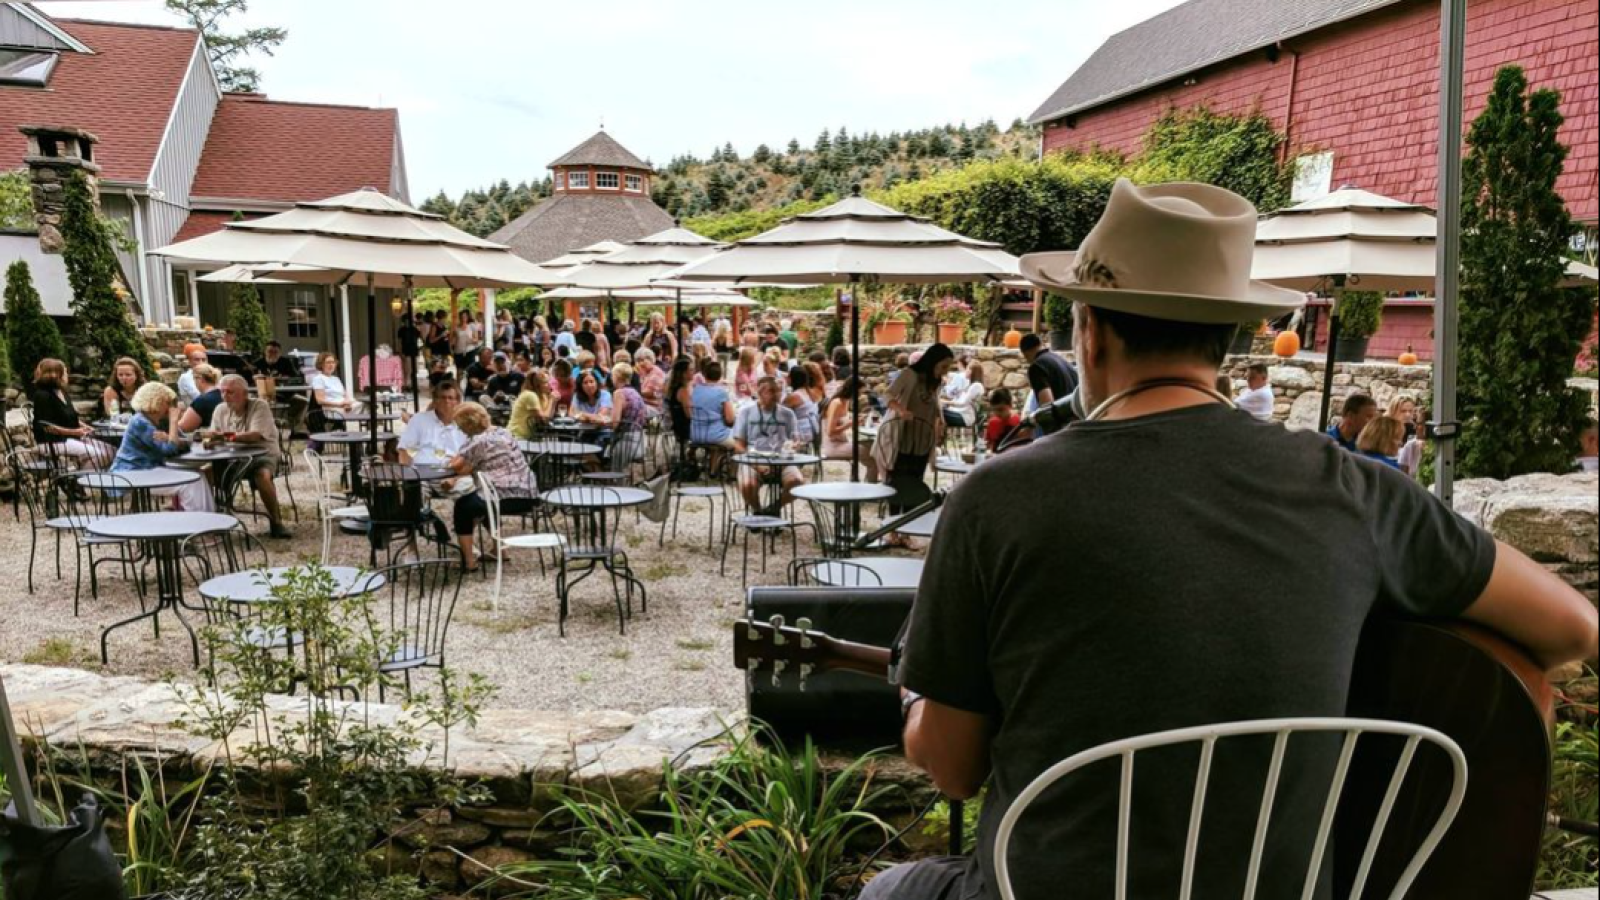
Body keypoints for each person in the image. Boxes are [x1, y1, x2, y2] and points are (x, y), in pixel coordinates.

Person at [866, 178, 1600, 900]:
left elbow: (955, 771)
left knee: (892, 887)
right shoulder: (1352, 489)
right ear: (1233, 332)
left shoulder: (999, 496)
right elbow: (1573, 626)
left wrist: (915, 695)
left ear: (1089, 331)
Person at [443, 402, 536, 572]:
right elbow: (470, 467)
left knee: (464, 507)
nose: (460, 430)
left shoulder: (478, 440)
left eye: (461, 426)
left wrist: (452, 467)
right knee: (481, 500)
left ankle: (469, 561)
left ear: (469, 425)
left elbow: (456, 465)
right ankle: (500, 551)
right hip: (529, 494)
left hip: (505, 498)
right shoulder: (504, 432)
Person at [873, 343, 952, 515]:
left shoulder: (935, 380)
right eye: (943, 366)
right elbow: (887, 395)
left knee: (916, 482)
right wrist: (901, 410)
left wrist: (940, 424)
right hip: (903, 436)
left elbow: (934, 406)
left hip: (923, 437)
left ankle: (909, 526)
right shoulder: (909, 374)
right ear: (933, 361)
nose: (946, 370)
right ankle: (894, 525)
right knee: (899, 481)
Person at [111, 383, 213, 511]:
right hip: (133, 472)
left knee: (198, 474)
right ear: (157, 402)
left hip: (150, 467)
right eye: (168, 402)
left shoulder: (160, 420)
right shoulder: (140, 422)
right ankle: (196, 523)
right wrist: (174, 422)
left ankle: (207, 521)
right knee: (190, 482)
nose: (171, 406)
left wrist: (170, 437)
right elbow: (170, 450)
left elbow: (186, 444)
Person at [212, 375, 291, 537]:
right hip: (233, 456)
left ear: (245, 394)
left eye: (230, 392)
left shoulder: (259, 406)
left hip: (263, 453)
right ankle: (220, 514)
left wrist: (225, 437)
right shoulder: (220, 409)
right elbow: (214, 435)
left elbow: (255, 435)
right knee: (207, 471)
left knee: (262, 475)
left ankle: (276, 522)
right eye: (222, 392)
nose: (225, 396)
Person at [733, 376, 807, 511]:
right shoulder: (746, 412)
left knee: (797, 483)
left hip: (782, 460)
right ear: (759, 393)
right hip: (753, 460)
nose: (776, 395)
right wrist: (756, 464)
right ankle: (757, 510)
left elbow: (796, 439)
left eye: (778, 391)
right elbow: (738, 445)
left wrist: (795, 445)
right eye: (771, 391)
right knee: (747, 484)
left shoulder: (787, 413)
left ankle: (773, 509)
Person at [29, 358, 113, 468]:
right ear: (54, 375)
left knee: (111, 451)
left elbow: (70, 417)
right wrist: (74, 432)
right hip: (53, 442)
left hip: (70, 437)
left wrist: (87, 427)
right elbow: (47, 426)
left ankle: (81, 473)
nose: (67, 375)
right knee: (97, 454)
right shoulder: (42, 395)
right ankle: (82, 481)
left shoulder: (62, 392)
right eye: (64, 372)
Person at [821, 376, 878, 481]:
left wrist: (855, 419)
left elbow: (841, 420)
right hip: (834, 446)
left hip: (843, 441)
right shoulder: (837, 403)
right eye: (860, 392)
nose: (860, 395)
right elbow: (830, 431)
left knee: (873, 445)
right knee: (873, 456)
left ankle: (868, 482)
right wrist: (851, 423)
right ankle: (870, 486)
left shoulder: (846, 401)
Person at [397, 380, 466, 466]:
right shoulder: (419, 419)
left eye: (451, 398)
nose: (446, 401)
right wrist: (406, 474)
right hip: (422, 472)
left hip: (453, 471)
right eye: (442, 397)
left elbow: (469, 456)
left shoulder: (464, 424)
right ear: (435, 400)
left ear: (458, 402)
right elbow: (404, 449)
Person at [689, 359, 737, 459]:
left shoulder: (695, 390)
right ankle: (731, 473)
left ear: (704, 375)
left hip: (695, 434)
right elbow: (730, 419)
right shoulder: (721, 393)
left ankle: (713, 470)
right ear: (720, 375)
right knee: (738, 440)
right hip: (715, 436)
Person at [1019, 332, 1078, 408]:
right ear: (1041, 344)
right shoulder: (1060, 359)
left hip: (1064, 417)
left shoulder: (1037, 367)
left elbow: (1047, 405)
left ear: (1025, 354)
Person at [509, 368, 556, 440]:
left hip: (531, 438)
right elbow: (544, 420)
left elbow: (548, 417)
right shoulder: (530, 395)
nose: (550, 385)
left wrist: (553, 402)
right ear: (537, 385)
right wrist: (552, 401)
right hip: (517, 437)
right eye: (545, 382)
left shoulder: (543, 395)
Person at [780, 365, 821, 449]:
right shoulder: (811, 393)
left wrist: (782, 387)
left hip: (800, 433)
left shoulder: (795, 396)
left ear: (792, 378)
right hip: (812, 430)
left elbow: (778, 411)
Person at [939, 360, 986, 430]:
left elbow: (962, 403)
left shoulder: (976, 386)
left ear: (973, 372)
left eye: (968, 369)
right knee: (938, 411)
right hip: (960, 413)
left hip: (964, 417)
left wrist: (945, 402)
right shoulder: (971, 384)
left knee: (938, 413)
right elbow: (954, 396)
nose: (965, 371)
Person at [176, 365, 223, 433]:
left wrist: (174, 418)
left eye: (194, 379)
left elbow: (183, 428)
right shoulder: (224, 395)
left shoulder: (202, 401)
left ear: (201, 379)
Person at [665, 356, 694, 447]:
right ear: (683, 373)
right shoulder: (683, 391)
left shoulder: (673, 388)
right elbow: (689, 415)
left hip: (678, 427)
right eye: (691, 370)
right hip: (686, 429)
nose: (693, 372)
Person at [983, 387, 1020, 453]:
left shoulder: (1018, 422)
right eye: (994, 410)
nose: (997, 413)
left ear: (1010, 405)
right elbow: (988, 443)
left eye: (1000, 409)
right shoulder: (992, 422)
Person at [634, 348, 667, 415]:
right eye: (638, 361)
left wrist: (634, 392)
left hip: (655, 408)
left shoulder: (656, 373)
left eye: (642, 360)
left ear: (651, 360)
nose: (640, 363)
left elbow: (649, 392)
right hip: (645, 405)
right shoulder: (644, 373)